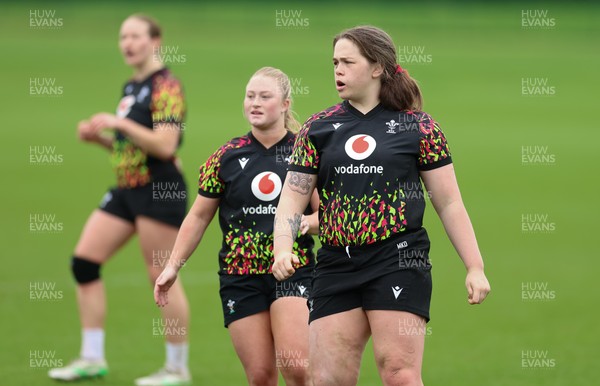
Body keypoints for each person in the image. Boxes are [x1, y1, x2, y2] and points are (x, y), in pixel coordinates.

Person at [272, 25, 491, 386]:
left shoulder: (419, 128)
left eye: (347, 62)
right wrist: (283, 248)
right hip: (336, 264)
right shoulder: (318, 128)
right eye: (334, 63)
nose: (337, 70)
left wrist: (475, 266)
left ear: (377, 67)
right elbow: (291, 201)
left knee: (399, 374)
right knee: (327, 379)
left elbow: (449, 202)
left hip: (398, 259)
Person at [48, 14, 192, 386]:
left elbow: (165, 145)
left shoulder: (167, 86)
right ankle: (92, 358)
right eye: (123, 36)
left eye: (136, 36)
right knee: (84, 263)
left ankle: (177, 367)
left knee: (161, 277)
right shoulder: (132, 86)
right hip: (127, 187)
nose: (127, 43)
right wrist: (101, 139)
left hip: (160, 189)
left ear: (155, 40)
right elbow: (132, 148)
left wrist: (120, 123)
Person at [154, 67, 318, 386]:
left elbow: (327, 216)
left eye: (265, 97)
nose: (254, 103)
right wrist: (173, 266)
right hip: (239, 276)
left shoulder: (306, 153)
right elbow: (199, 216)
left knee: (297, 369)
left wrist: (300, 225)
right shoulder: (226, 157)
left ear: (286, 104)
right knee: (259, 376)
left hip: (292, 271)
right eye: (250, 96)